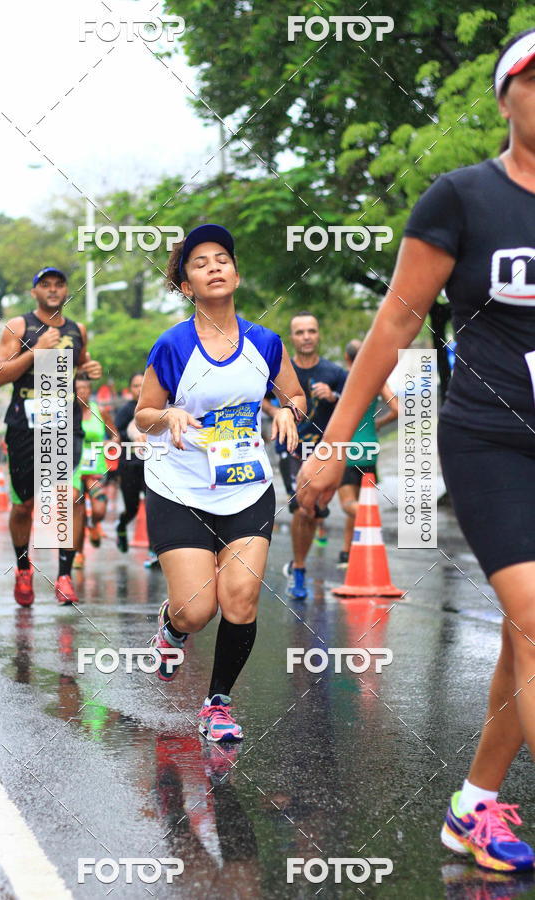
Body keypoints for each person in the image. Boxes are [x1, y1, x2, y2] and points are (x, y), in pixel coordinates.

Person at [297, 30, 535, 872]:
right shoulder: (461, 198)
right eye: (534, 78)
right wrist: (335, 444)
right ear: (505, 96)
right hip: (490, 440)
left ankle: (473, 807)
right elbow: (396, 322)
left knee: (521, 637)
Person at [136, 224, 304, 742]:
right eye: (200, 262)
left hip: (245, 486)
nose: (214, 266)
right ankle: (172, 628)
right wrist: (168, 417)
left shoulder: (265, 343)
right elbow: (143, 415)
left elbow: (295, 396)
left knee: (241, 599)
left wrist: (287, 411)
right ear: (186, 285)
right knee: (197, 610)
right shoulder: (173, 345)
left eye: (222, 259)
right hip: (179, 487)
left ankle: (218, 704)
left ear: (236, 274)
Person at [0, 267, 102, 607]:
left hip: (64, 424)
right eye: (45, 285)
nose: (53, 290)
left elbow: (80, 364)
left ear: (66, 291)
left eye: (59, 285)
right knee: (24, 505)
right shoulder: (19, 326)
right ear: (34, 292)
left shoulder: (77, 330)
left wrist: (90, 369)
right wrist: (35, 350)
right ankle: (24, 568)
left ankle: (65, 575)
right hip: (25, 426)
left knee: (70, 497)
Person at [284, 312, 347, 600]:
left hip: (323, 451)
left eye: (311, 331)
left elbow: (353, 408)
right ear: (292, 337)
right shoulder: (283, 372)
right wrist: (282, 414)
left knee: (311, 511)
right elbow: (263, 401)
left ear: (318, 334)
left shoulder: (335, 373)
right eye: (300, 332)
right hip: (291, 447)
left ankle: (298, 564)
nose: (306, 336)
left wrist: (333, 397)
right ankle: (299, 569)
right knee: (303, 508)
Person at [337, 339, 398, 566]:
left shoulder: (341, 380)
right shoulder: (376, 378)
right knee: (359, 501)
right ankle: (346, 553)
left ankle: (372, 520)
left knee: (348, 504)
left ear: (346, 357)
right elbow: (397, 409)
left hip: (346, 449)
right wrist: (378, 423)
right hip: (370, 448)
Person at [72, 373, 118, 568]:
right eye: (78, 389)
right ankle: (78, 554)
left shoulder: (100, 411)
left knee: (99, 508)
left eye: (85, 388)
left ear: (90, 391)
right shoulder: (67, 412)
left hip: (95, 469)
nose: (82, 392)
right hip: (73, 470)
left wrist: (110, 443)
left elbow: (115, 436)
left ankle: (93, 524)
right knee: (77, 512)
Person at [114, 373, 153, 560]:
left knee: (153, 508)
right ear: (130, 389)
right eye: (136, 385)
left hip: (151, 465)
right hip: (129, 466)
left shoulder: (155, 408)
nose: (139, 388)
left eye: (142, 384)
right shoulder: (125, 410)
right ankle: (121, 526)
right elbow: (118, 434)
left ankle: (154, 550)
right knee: (132, 509)